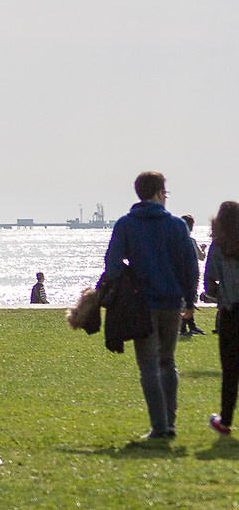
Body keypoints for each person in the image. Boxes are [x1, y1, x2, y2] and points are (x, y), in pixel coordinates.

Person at [99, 170, 201, 440]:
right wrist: (190, 299)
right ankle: (170, 422)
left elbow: (112, 265)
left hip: (141, 304)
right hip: (172, 303)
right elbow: (190, 267)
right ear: (158, 193)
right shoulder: (177, 225)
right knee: (168, 361)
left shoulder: (126, 224)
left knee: (148, 366)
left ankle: (160, 426)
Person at [203, 199, 238, 438]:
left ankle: (225, 420)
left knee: (230, 371)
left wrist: (219, 293)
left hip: (230, 313)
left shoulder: (218, 246)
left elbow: (209, 283)